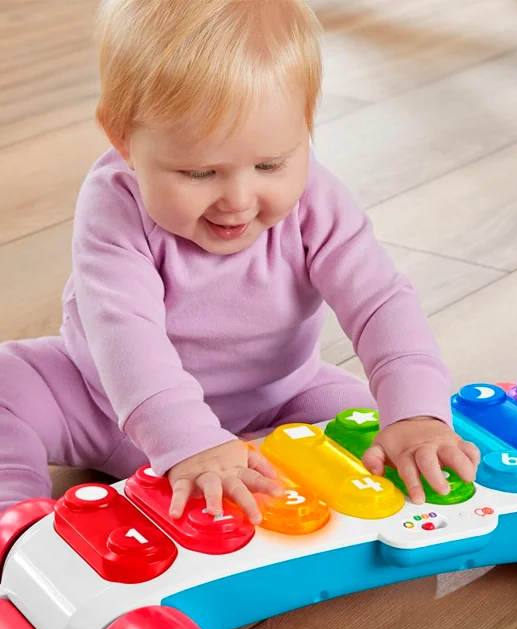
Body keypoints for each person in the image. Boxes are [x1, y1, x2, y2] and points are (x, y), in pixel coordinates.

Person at [0, 0, 479, 525]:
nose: (239, 199)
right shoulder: (114, 204)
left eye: (271, 164)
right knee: (8, 383)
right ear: (123, 140)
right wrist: (188, 439)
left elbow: (380, 303)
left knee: (363, 421)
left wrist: (415, 413)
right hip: (102, 406)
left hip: (276, 407)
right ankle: (18, 522)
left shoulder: (316, 200)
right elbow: (124, 335)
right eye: (199, 173)